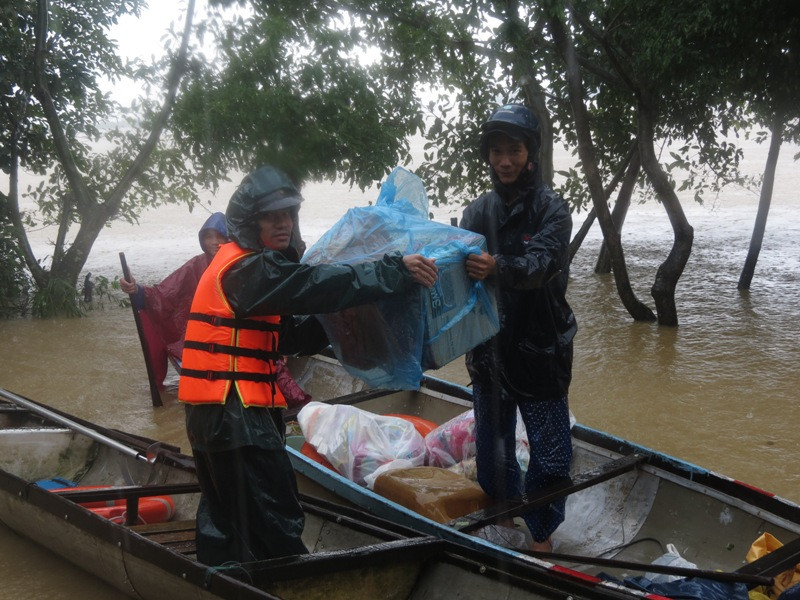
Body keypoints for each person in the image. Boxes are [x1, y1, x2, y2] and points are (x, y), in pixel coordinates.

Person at [177, 165, 438, 565]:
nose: (283, 223)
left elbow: (288, 337)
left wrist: (335, 325)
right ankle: (289, 583)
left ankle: (222, 575)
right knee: (274, 513)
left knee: (227, 516)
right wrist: (392, 271)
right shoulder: (248, 268)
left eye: (288, 214)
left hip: (218, 412)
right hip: (234, 413)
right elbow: (315, 284)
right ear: (250, 222)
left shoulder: (249, 268)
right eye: (271, 217)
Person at [460, 104, 577, 553]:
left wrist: (498, 266)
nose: (505, 161)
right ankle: (504, 514)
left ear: (531, 153)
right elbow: (454, 276)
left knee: (552, 453)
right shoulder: (476, 211)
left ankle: (542, 535)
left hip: (541, 348)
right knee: (493, 447)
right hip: (487, 349)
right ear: (488, 156)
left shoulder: (553, 208)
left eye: (514, 150)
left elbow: (542, 263)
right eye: (497, 151)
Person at [120, 212, 228, 389]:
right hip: (204, 334)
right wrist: (136, 289)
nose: (215, 242)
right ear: (202, 240)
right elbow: (164, 294)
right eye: (209, 237)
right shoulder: (195, 265)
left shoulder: (244, 264)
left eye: (220, 236)